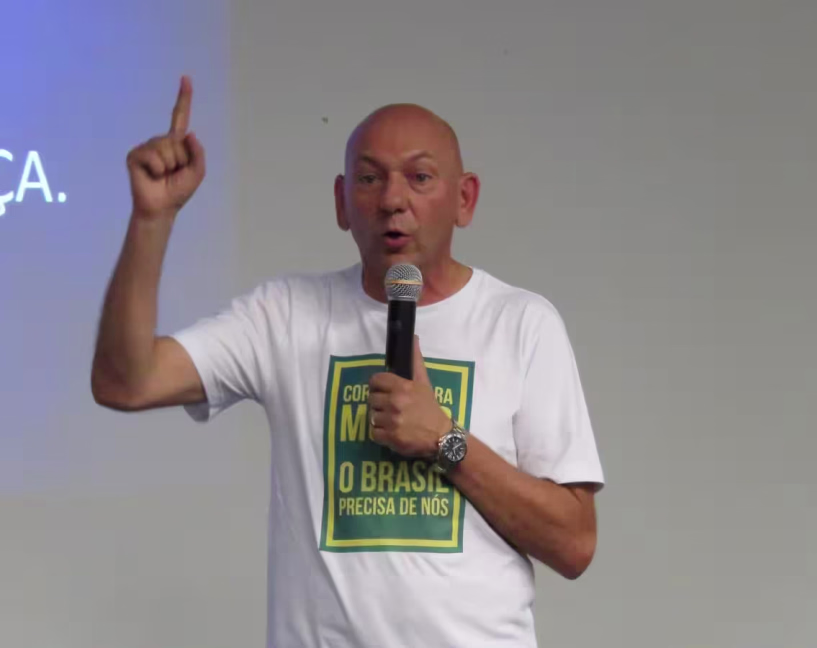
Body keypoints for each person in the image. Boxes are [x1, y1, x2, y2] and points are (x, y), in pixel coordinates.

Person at [91, 75, 605, 648]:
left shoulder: (521, 324)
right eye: (369, 178)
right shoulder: (285, 316)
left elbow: (574, 544)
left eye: (419, 177)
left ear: (465, 199)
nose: (392, 200)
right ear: (341, 202)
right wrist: (152, 220)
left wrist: (446, 441)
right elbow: (125, 383)